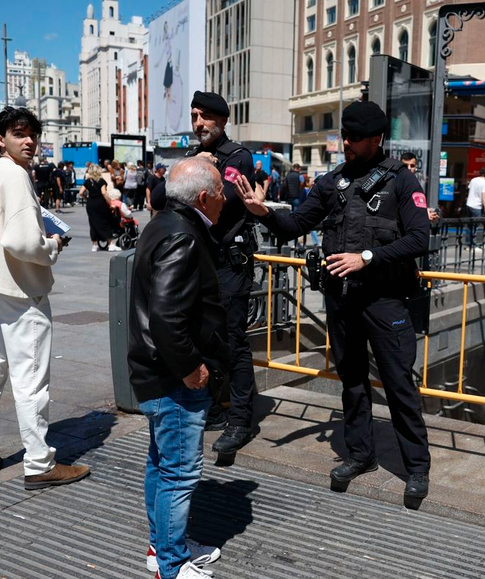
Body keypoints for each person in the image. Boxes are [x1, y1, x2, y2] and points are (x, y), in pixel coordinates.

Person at [234, 100, 432, 509]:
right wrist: (262, 212)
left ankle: (416, 468)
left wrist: (367, 258)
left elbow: (419, 239)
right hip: (343, 303)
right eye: (344, 135)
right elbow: (294, 225)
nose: (346, 143)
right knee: (353, 384)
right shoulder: (330, 183)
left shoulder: (401, 181)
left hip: (385, 301)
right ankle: (360, 455)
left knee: (398, 386)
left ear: (376, 139)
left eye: (355, 138)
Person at [128, 158, 226, 579]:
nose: (226, 198)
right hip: (172, 379)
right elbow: (167, 317)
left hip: (155, 373)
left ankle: (163, 546)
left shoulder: (163, 222)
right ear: (203, 197)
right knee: (180, 473)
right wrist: (193, 370)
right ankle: (170, 564)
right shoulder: (183, 236)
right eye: (221, 191)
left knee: (162, 464)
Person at [151, 91, 260, 454]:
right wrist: (194, 162)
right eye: (194, 115)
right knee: (202, 337)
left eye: (206, 117)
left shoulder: (237, 157)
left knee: (234, 341)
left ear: (223, 120)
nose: (198, 123)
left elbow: (220, 200)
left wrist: (193, 173)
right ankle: (212, 409)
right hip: (200, 263)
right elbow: (157, 196)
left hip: (229, 263)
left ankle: (241, 420)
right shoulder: (194, 158)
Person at [0, 106, 91, 490]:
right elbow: (20, 241)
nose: (29, 141)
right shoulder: (15, 175)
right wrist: (51, 245)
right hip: (22, 291)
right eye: (19, 133)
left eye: (32, 134)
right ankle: (38, 463)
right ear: (1, 139)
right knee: (31, 379)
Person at [79, 164, 121, 252]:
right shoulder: (101, 181)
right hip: (100, 203)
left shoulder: (87, 181)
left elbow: (81, 192)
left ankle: (94, 245)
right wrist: (110, 203)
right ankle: (111, 243)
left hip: (90, 204)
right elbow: (104, 193)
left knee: (93, 223)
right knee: (104, 222)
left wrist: (87, 198)